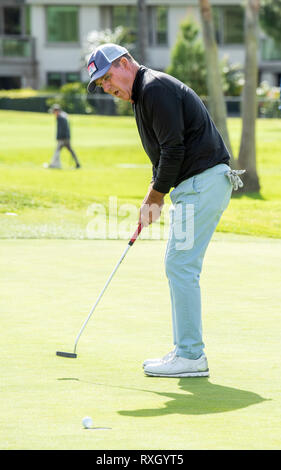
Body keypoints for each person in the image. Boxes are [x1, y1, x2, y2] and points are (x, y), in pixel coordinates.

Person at [87, 43, 245, 378]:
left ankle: (190, 356)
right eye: (101, 84)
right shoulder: (144, 95)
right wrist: (152, 195)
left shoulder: (154, 88)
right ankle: (185, 351)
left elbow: (174, 149)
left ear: (125, 63)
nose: (107, 86)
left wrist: (156, 197)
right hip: (195, 185)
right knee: (180, 264)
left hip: (202, 183)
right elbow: (164, 155)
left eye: (107, 76)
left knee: (180, 264)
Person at [44, 104, 81, 169]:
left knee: (57, 151)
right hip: (66, 138)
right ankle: (77, 164)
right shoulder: (64, 116)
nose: (54, 113)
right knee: (69, 151)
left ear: (57, 111)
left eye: (54, 112)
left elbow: (62, 129)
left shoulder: (60, 118)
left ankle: (54, 165)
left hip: (63, 138)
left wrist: (59, 138)